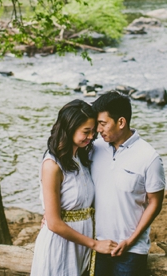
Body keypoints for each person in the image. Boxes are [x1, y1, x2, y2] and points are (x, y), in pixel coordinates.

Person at [31, 99, 118, 276]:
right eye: (86, 131)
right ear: (69, 128)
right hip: (61, 245)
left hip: (82, 244)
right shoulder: (52, 165)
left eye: (93, 131)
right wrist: (95, 244)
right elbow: (54, 223)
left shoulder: (82, 156)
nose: (92, 136)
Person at [91, 91, 165, 276]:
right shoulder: (94, 149)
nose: (98, 130)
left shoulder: (149, 157)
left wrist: (130, 240)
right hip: (98, 246)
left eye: (103, 124)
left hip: (131, 251)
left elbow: (155, 203)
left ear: (121, 122)